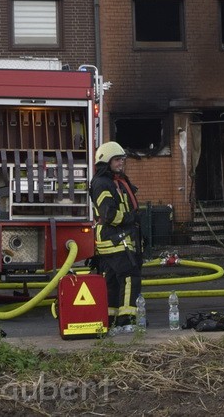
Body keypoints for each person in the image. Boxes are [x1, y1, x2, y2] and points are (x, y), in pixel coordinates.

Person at [89, 141, 142, 332]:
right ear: (106, 161)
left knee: (111, 280)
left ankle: (111, 319)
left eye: (122, 160)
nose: (121, 163)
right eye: (117, 160)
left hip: (118, 239)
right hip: (116, 239)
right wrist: (132, 218)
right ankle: (126, 320)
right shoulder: (102, 183)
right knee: (130, 277)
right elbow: (109, 214)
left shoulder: (113, 181)